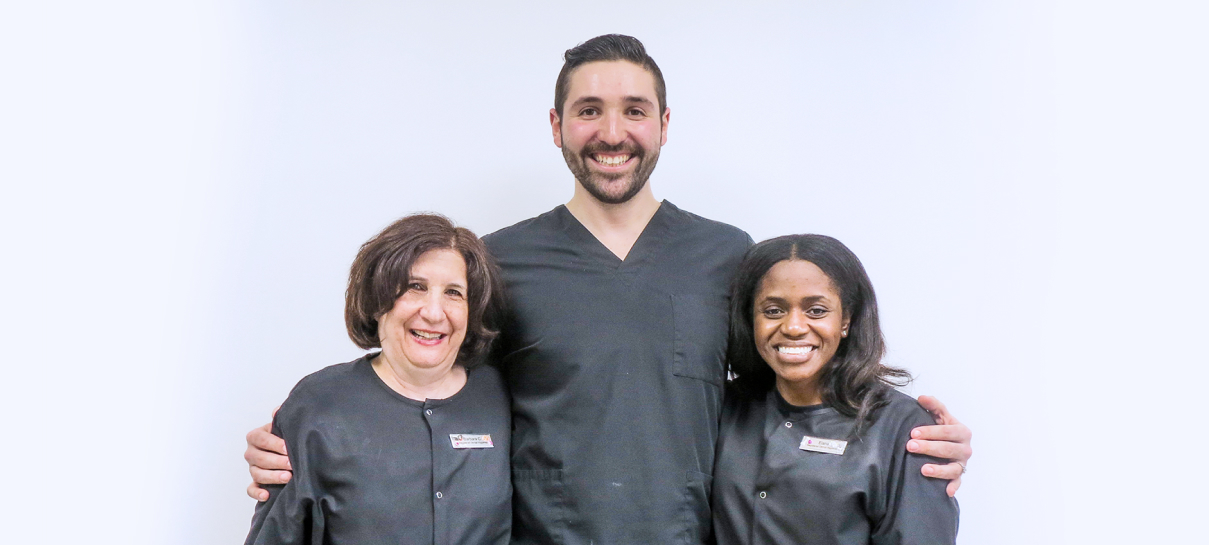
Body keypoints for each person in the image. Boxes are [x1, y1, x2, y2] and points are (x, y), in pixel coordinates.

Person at [244, 35, 973, 544]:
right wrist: (315, 438)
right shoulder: (498, 263)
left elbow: (782, 391)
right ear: (557, 126)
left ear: (663, 125)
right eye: (589, 110)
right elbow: (436, 387)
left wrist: (899, 434)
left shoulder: (727, 256)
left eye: (633, 109)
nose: (611, 130)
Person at [244, 214, 511, 545]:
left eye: (454, 293)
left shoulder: (503, 399)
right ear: (377, 298)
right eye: (416, 287)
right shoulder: (319, 405)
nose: (433, 312)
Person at [713, 234, 959, 544]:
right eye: (773, 310)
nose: (793, 327)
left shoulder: (902, 428)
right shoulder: (721, 408)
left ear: (846, 320)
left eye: (816, 311)